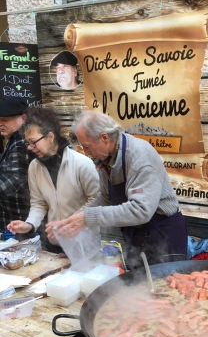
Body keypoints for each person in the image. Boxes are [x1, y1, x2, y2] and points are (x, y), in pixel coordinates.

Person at [46, 111, 187, 268]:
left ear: (104, 138)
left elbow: (140, 210)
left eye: (87, 147)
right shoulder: (105, 160)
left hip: (162, 234)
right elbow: (105, 198)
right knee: (139, 286)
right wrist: (72, 220)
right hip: (137, 234)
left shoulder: (140, 156)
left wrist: (88, 217)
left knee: (166, 288)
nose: (86, 153)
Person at [7, 107, 100, 253]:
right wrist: (29, 224)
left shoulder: (81, 163)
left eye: (33, 142)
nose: (30, 148)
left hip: (85, 242)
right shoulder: (34, 167)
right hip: (55, 243)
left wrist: (70, 222)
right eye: (27, 143)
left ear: (50, 137)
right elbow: (39, 203)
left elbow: (97, 199)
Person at [0, 98, 34, 238]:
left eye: (5, 119)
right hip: (13, 220)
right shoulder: (12, 139)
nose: (0, 123)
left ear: (23, 118)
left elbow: (13, 179)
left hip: (23, 220)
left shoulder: (22, 142)